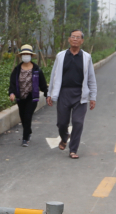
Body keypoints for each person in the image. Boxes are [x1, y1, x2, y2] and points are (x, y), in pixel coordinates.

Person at [47, 29, 98, 159]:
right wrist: (50, 94)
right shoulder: (61, 56)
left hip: (80, 94)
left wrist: (93, 97)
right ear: (69, 39)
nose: (75, 39)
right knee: (62, 123)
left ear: (82, 41)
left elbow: (91, 78)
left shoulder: (86, 57)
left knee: (78, 122)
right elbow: (54, 76)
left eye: (78, 37)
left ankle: (73, 149)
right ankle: (64, 137)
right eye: (73, 37)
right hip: (64, 92)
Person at [7, 44, 48, 147]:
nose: (25, 56)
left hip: (32, 97)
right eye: (24, 54)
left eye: (27, 54)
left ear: (31, 55)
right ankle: (28, 130)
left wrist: (49, 96)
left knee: (28, 116)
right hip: (20, 97)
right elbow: (12, 83)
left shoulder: (37, 69)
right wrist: (12, 93)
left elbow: (43, 84)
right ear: (21, 56)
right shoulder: (17, 70)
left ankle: (25, 138)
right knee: (23, 116)